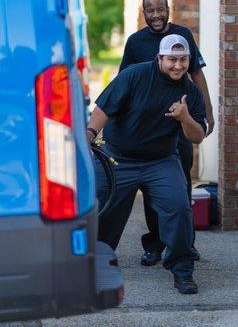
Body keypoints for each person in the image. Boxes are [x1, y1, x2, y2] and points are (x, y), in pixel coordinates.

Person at [87, 34, 207, 294]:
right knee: (105, 211)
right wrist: (88, 135)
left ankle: (182, 270)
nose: (178, 66)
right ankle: (96, 267)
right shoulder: (135, 76)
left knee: (178, 208)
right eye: (172, 60)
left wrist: (185, 117)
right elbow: (103, 108)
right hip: (118, 157)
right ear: (160, 58)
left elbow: (197, 136)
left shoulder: (190, 92)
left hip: (161, 160)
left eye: (183, 60)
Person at [119, 0, 214, 266]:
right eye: (150, 11)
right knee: (151, 187)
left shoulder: (183, 34)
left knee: (180, 184)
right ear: (143, 13)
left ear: (168, 9)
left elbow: (196, 72)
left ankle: (185, 245)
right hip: (148, 129)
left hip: (180, 123)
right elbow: (124, 82)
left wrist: (206, 111)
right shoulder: (135, 43)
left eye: (161, 9)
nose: (156, 15)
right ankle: (155, 244)